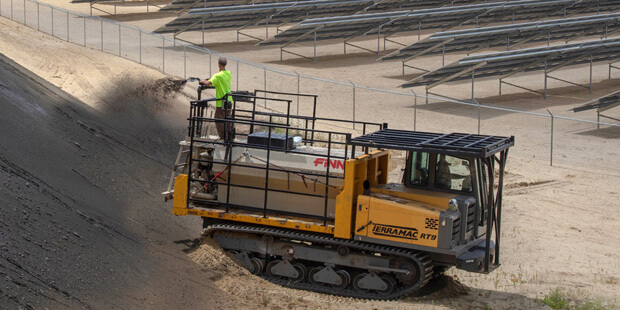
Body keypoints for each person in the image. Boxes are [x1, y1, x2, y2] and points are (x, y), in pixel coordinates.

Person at [200, 57, 233, 141]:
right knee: (227, 117)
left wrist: (202, 81)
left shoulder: (217, 76)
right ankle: (229, 136)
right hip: (229, 99)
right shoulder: (228, 73)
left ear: (218, 64)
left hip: (221, 101)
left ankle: (223, 137)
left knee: (218, 119)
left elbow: (208, 83)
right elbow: (220, 81)